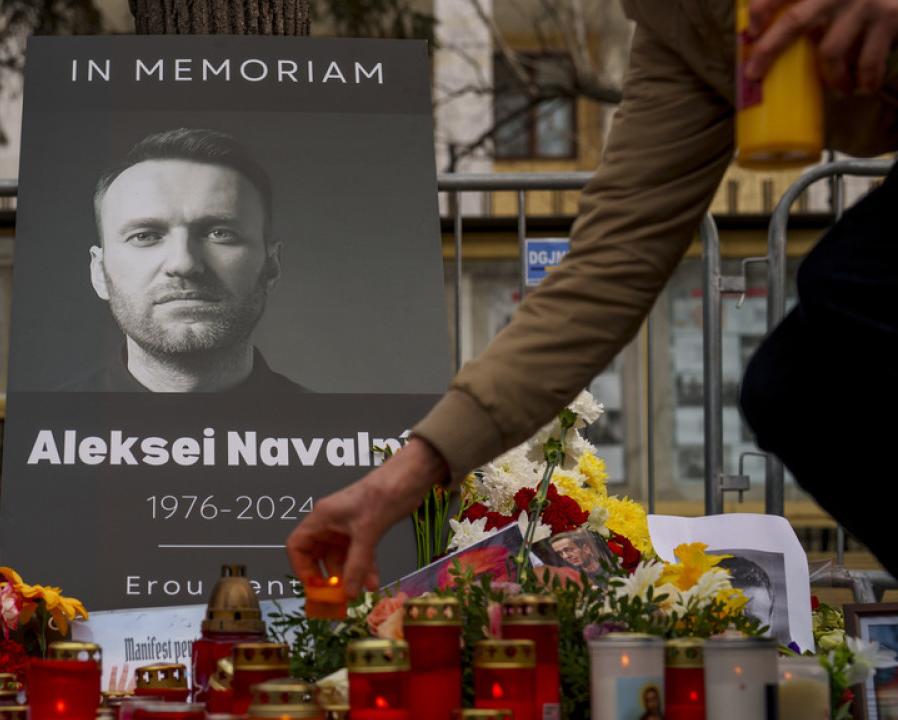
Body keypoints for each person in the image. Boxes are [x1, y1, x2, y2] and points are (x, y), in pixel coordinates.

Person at [287, 0, 898, 596]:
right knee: (796, 389)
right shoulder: (679, 29)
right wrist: (399, 481)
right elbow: (607, 267)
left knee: (845, 287)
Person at [63, 128, 307, 393]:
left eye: (219, 234)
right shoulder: (49, 416)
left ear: (271, 267)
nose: (183, 264)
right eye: (144, 236)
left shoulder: (326, 418)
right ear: (100, 272)